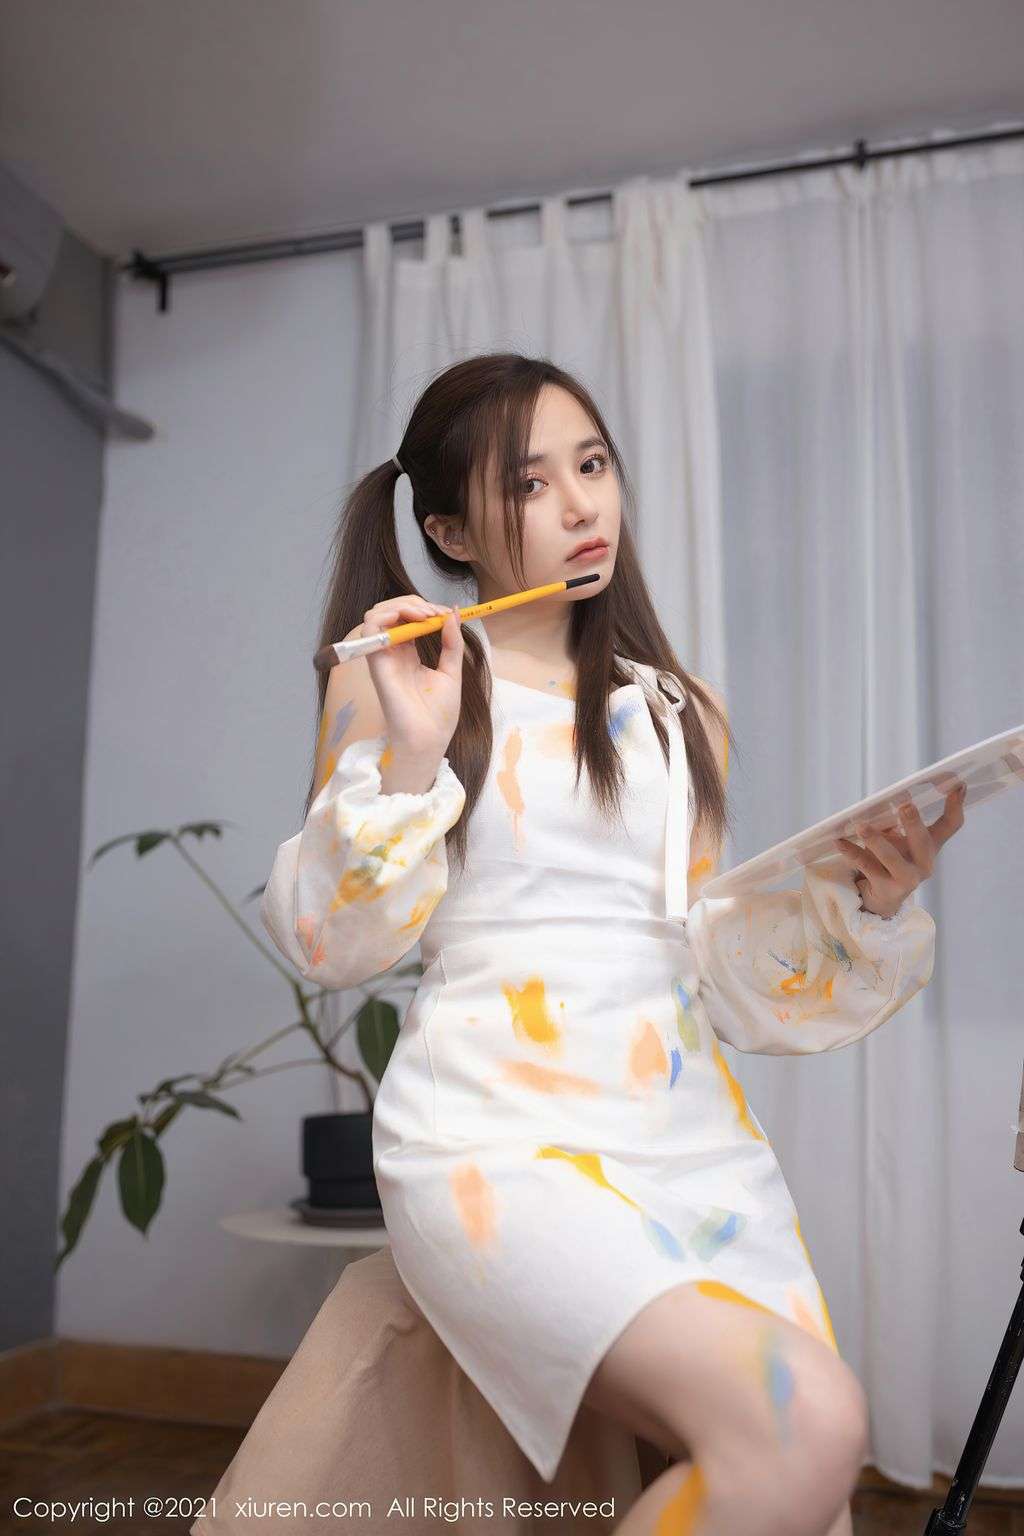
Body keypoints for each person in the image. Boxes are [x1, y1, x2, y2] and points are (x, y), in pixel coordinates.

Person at [255, 352, 963, 1536]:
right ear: (447, 531)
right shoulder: (405, 682)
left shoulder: (683, 713)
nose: (581, 504)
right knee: (798, 1422)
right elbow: (333, 945)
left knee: (804, 1456)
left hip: (691, 1150)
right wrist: (415, 749)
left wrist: (866, 902)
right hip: (497, 1141)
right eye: (529, 484)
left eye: (591, 465)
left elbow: (715, 977)